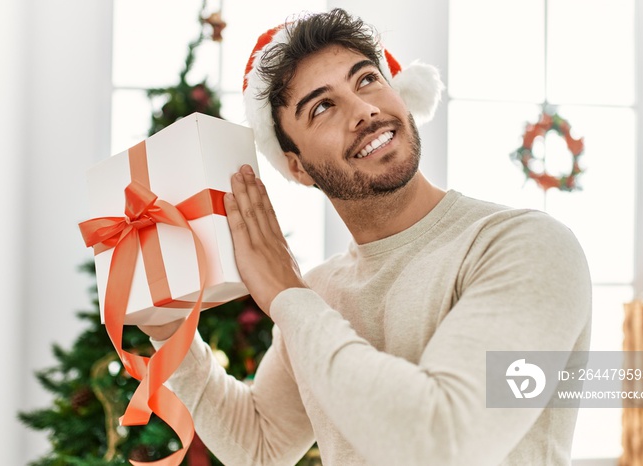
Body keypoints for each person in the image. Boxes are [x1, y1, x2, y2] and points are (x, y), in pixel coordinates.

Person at [142, 8, 592, 465]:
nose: (364, 110)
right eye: (322, 106)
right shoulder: (319, 292)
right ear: (297, 167)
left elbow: (444, 443)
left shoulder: (527, 245)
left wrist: (285, 294)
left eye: (367, 80)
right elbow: (262, 446)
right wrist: (171, 333)